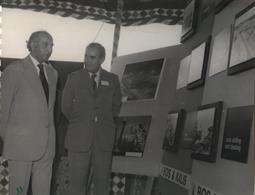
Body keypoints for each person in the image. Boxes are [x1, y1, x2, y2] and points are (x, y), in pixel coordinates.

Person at [1, 31, 58, 195]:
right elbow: (3, 109)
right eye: (45, 44)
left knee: (43, 191)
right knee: (19, 190)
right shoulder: (14, 70)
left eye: (51, 45)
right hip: (20, 146)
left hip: (47, 147)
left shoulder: (53, 74)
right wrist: (6, 141)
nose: (50, 49)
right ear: (32, 45)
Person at [61, 42, 122, 195]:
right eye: (86, 56)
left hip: (103, 140)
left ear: (102, 59)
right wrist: (82, 122)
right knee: (77, 185)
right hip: (79, 139)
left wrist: (101, 120)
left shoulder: (112, 79)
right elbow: (66, 107)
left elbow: (115, 107)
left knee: (102, 185)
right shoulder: (73, 77)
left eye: (92, 57)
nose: (86, 60)